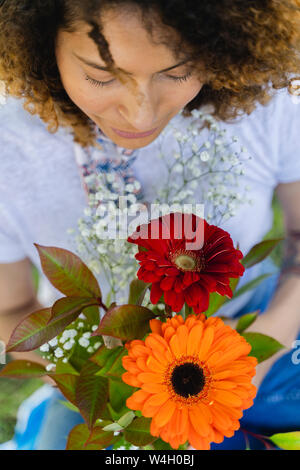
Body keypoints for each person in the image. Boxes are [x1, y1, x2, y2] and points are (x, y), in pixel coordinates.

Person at [0, 0, 300, 450]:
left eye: (178, 71)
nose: (142, 114)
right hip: (109, 378)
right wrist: (106, 370)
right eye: (102, 77)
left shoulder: (268, 102)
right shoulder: (8, 149)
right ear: (43, 45)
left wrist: (263, 342)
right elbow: (9, 308)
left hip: (263, 323)